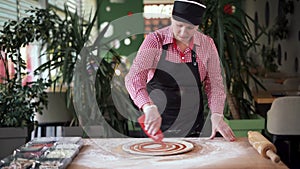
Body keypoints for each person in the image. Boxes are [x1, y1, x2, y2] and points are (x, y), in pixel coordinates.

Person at [125, 0, 235, 141]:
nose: (183, 33)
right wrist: (147, 107)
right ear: (172, 19)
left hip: (194, 127)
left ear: (197, 26)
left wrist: (217, 115)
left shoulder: (207, 45)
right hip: (156, 127)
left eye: (189, 28)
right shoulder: (155, 41)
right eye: (179, 25)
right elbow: (133, 78)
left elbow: (214, 84)